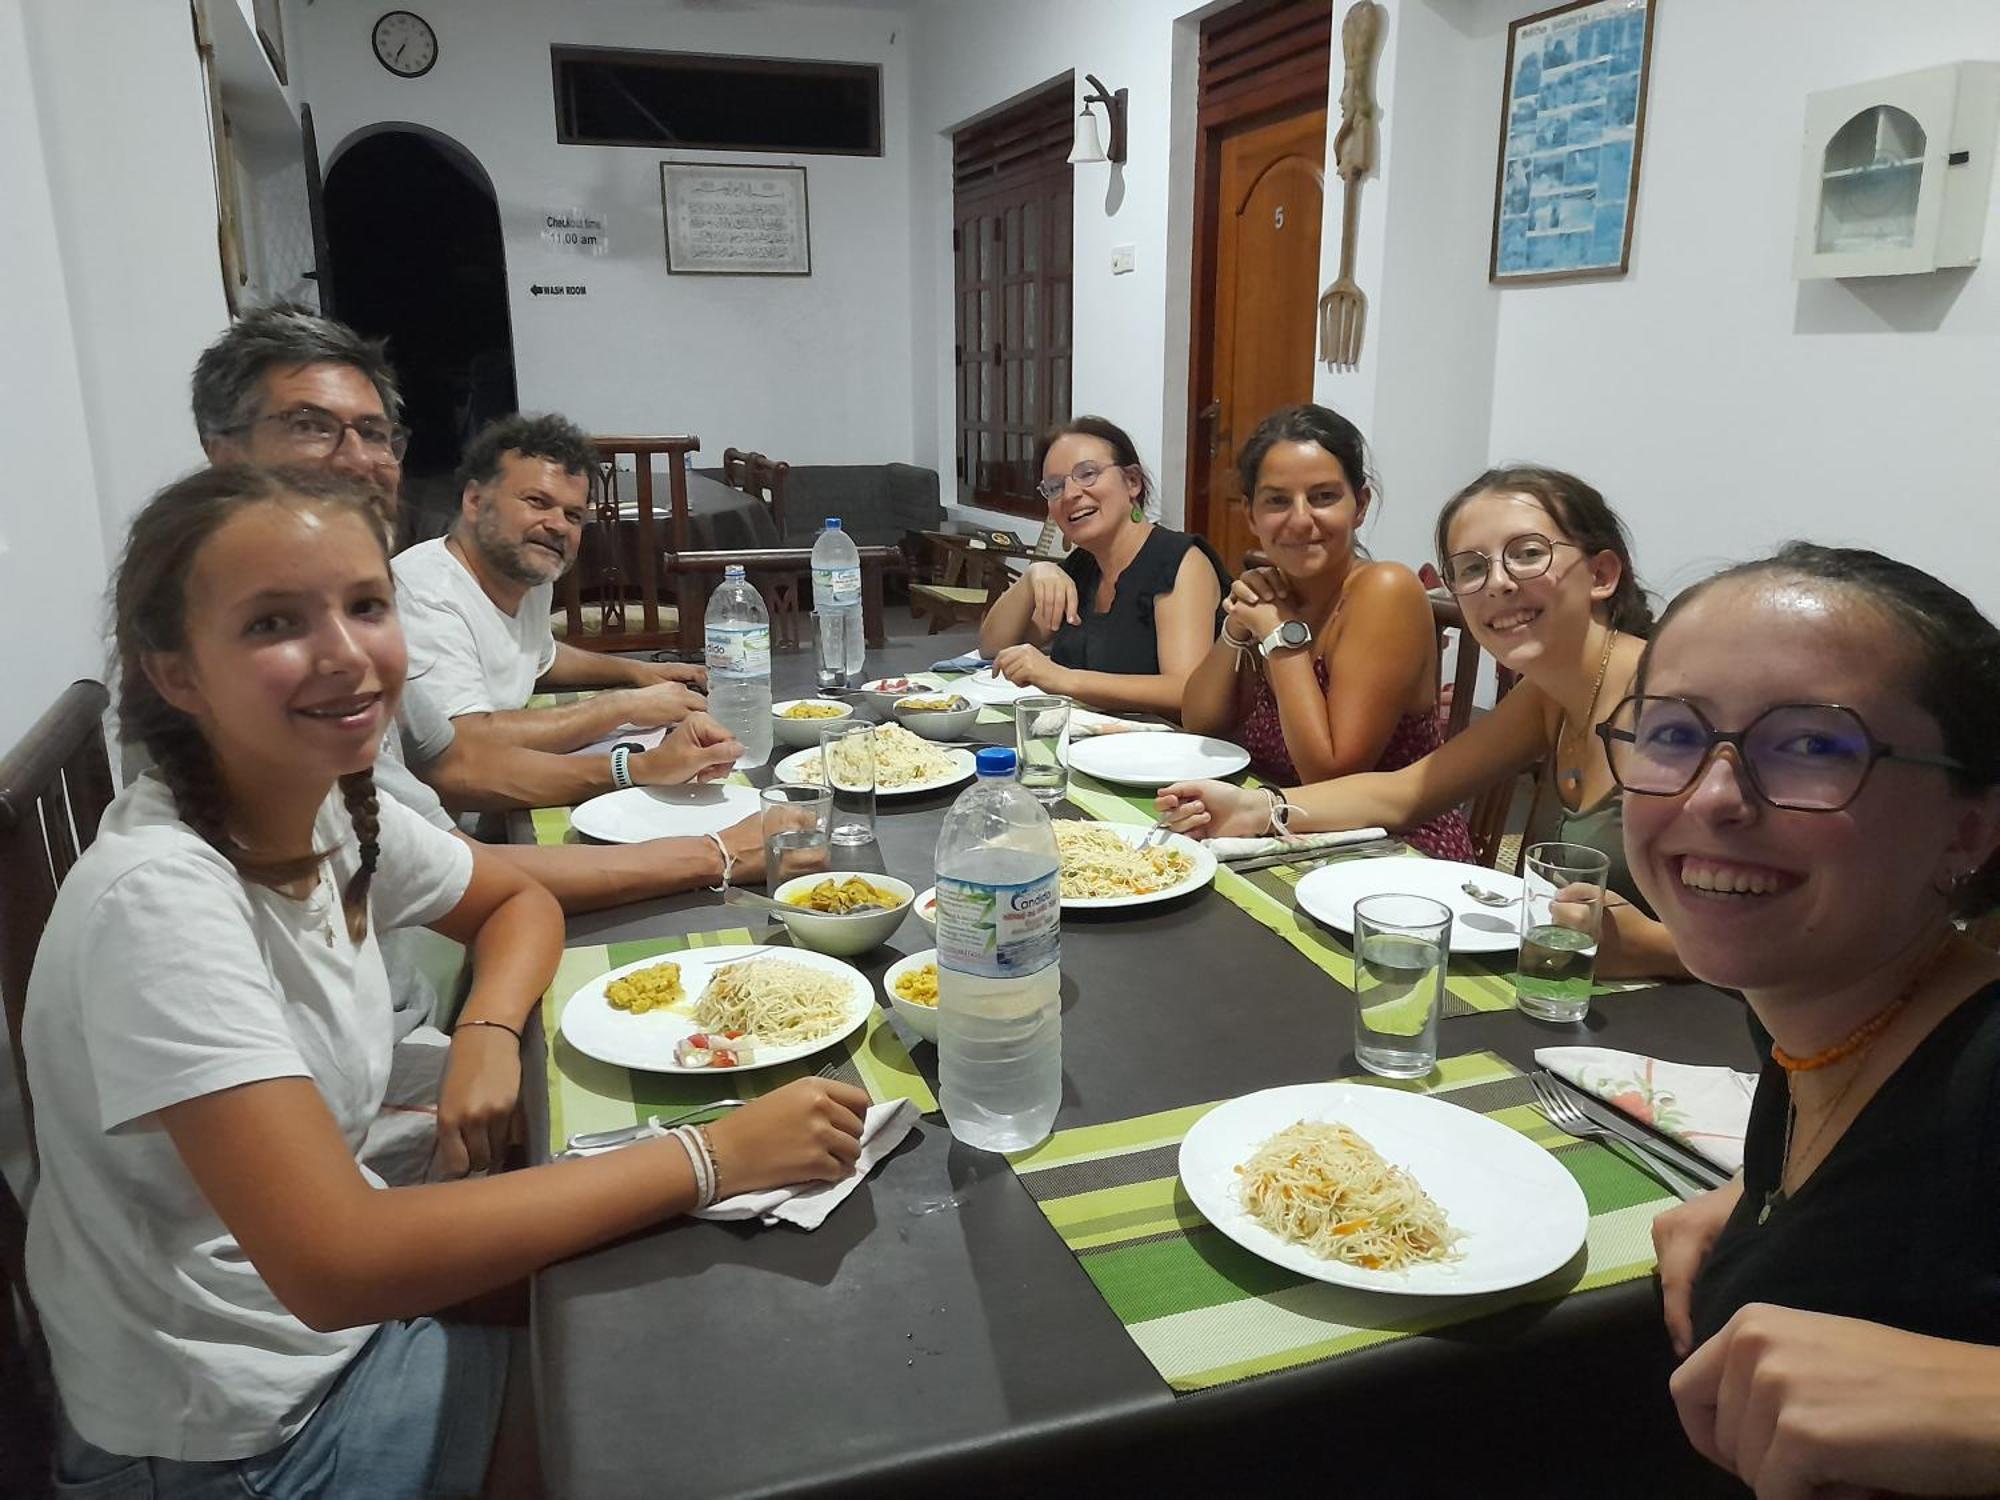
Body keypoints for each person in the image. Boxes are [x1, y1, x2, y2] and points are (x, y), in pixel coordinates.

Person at [24, 464, 870, 1493]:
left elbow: (514, 900)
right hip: (250, 1435)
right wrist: (710, 1157)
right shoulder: (161, 897)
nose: (345, 653)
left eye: (365, 606)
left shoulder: (314, 806)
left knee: (707, 1300)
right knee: (723, 1400)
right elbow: (339, 1263)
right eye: (273, 624)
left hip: (323, 1343)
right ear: (174, 672)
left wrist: (487, 1032)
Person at [1158, 466, 1683, 978]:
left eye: (1527, 555)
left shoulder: (1677, 706)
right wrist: (1259, 807)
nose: (1497, 583)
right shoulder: (1549, 693)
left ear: (1601, 575)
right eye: (1472, 568)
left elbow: (1765, 934)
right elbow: (1407, 791)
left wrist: (1656, 948)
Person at [1179, 405, 1473, 860]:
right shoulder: (1274, 591)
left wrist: (1279, 637)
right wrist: (1237, 628)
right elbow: (1199, 721)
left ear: (1360, 505)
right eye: (1277, 500)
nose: (1300, 520)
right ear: (1251, 515)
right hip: (1281, 827)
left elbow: (1331, 775)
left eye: (1322, 497)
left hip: (1393, 849)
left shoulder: (1384, 591)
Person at [394, 411, 710, 754]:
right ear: (475, 501)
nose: (558, 526)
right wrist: (621, 706)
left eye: (573, 515)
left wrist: (639, 672)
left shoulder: (526, 576)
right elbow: (464, 744)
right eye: (537, 502)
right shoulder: (425, 596)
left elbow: (539, 658)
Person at [977, 416, 1229, 717]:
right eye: (1055, 487)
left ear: (1132, 482)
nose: (1070, 494)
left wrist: (1063, 678)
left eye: (1088, 474)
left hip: (1166, 752)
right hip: (1092, 746)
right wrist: (1033, 576)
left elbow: (1186, 689)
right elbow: (993, 647)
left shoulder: (1180, 561)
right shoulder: (1083, 566)